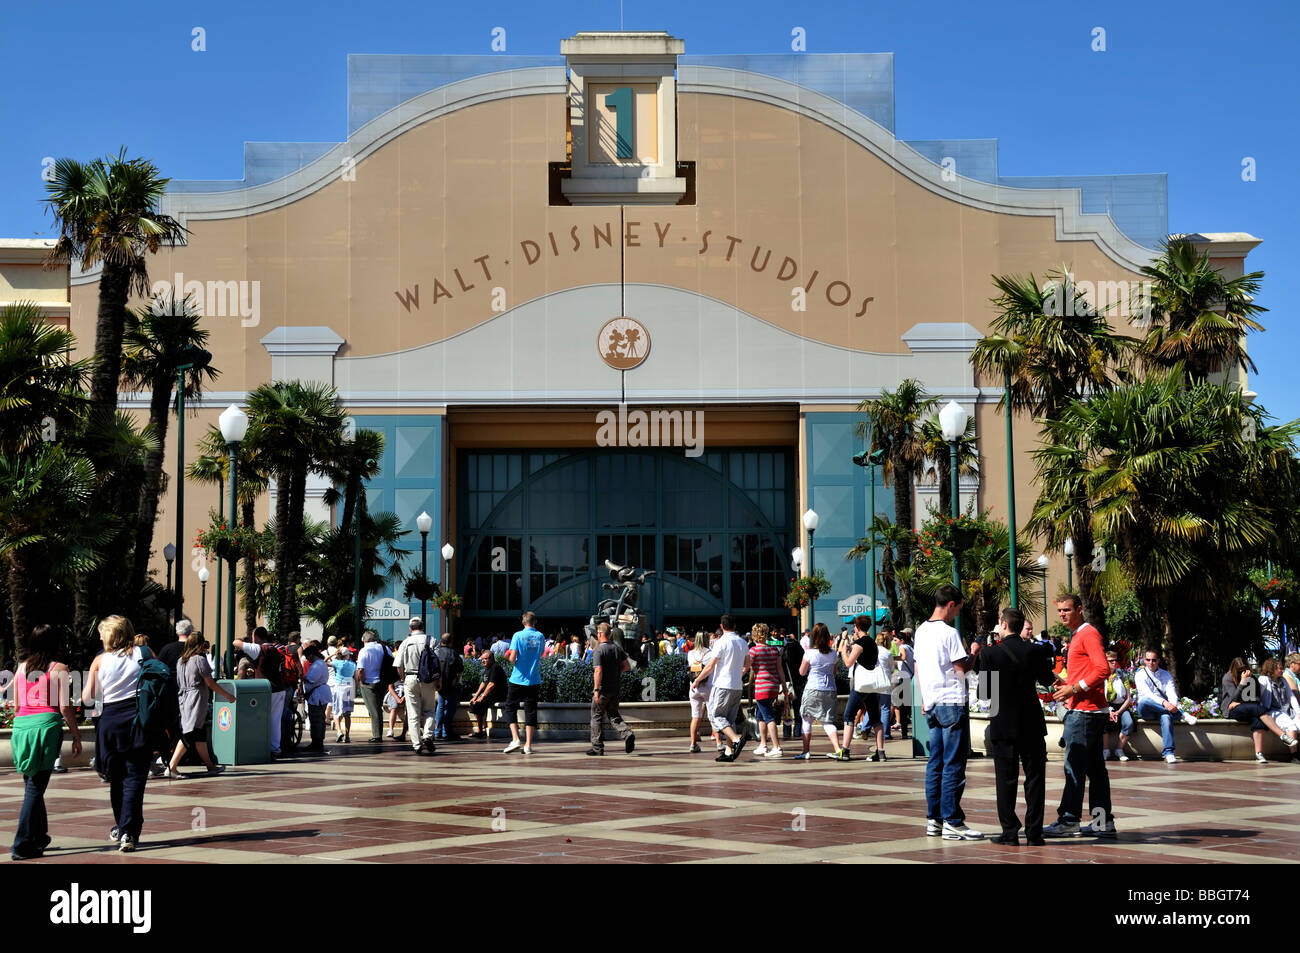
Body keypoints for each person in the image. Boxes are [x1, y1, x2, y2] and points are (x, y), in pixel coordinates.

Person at [969, 607, 1055, 846]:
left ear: (1003, 625)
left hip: (1003, 724)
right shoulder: (1035, 651)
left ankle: (1009, 831)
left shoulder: (990, 654)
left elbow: (984, 693)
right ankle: (1034, 832)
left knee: (1005, 780)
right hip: (1032, 724)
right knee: (1035, 779)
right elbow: (1048, 680)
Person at [913, 586, 983, 840]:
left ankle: (934, 819)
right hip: (951, 701)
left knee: (936, 763)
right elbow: (961, 669)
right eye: (958, 609)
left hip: (931, 701)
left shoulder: (921, 631)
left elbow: (918, 666)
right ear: (951, 604)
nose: (957, 614)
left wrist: (924, 697)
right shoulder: (949, 633)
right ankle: (953, 820)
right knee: (954, 764)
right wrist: (974, 652)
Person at [1044, 593, 1115, 838]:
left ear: (1080, 610)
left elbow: (1103, 669)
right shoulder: (1079, 636)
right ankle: (1101, 821)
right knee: (1095, 771)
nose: (1062, 614)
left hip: (1085, 713)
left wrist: (1074, 688)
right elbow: (1089, 672)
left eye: (1067, 610)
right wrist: (1066, 683)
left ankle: (1069, 820)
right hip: (1089, 712)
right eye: (1060, 610)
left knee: (1074, 768)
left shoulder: (1087, 634)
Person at [11, 624, 83, 861]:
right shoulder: (59, 668)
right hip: (45, 727)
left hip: (22, 728)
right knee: (35, 787)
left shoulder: (21, 668)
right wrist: (76, 734)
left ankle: (39, 836)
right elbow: (64, 706)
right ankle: (21, 844)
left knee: (32, 784)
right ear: (55, 643)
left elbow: (17, 704)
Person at [81, 615, 151, 853]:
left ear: (111, 635)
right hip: (136, 720)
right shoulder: (143, 653)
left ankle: (123, 827)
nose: (99, 637)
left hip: (110, 721)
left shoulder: (99, 661)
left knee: (117, 778)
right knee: (135, 778)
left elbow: (87, 698)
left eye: (102, 632)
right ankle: (128, 831)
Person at [165, 632, 235, 777]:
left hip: (183, 698)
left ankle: (210, 766)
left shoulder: (181, 661)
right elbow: (210, 682)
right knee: (189, 733)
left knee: (199, 734)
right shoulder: (199, 660)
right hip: (196, 699)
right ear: (199, 644)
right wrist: (227, 695)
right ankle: (171, 767)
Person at [692, 614, 750, 762]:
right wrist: (738, 674)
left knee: (716, 716)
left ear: (722, 626)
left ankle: (736, 740)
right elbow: (747, 665)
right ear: (735, 626)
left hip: (722, 685)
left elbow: (710, 666)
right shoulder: (742, 642)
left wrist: (697, 680)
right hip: (737, 686)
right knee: (729, 719)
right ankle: (729, 751)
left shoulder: (720, 642)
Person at [1221, 658, 1296, 762]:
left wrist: (1245, 697)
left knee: (1259, 720)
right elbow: (1233, 698)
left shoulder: (1251, 677)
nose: (1243, 672)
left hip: (1249, 708)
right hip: (1231, 710)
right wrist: (1242, 682)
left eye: (1245, 669)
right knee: (1257, 708)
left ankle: (1259, 754)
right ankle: (1282, 736)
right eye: (1240, 670)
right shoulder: (1228, 678)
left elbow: (1256, 697)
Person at [1133, 649, 1199, 763]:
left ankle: (1169, 753)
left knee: (1166, 717)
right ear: (1144, 660)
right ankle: (1181, 714)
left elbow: (1171, 692)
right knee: (1144, 700)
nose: (1151, 662)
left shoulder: (1166, 674)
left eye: (1154, 660)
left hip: (1162, 709)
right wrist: (1165, 703)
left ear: (1158, 660)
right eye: (1148, 660)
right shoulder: (1140, 674)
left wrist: (1172, 705)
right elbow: (1147, 694)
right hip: (1146, 709)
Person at [230, 627, 288, 757]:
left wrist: (243, 642)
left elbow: (235, 643)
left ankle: (266, 747)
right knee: (275, 719)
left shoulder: (259, 649)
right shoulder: (275, 649)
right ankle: (275, 747)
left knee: (262, 718)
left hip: (267, 689)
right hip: (279, 687)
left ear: (256, 637)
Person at [794, 623, 842, 761]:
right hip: (830, 689)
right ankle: (837, 749)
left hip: (813, 688)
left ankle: (806, 751)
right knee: (827, 722)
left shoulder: (809, 653)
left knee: (807, 719)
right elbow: (834, 672)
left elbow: (802, 672)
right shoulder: (833, 654)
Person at [839, 614, 882, 763]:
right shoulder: (872, 642)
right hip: (872, 685)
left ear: (857, 627)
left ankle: (845, 750)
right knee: (876, 718)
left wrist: (844, 652)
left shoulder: (860, 644)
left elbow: (848, 663)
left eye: (854, 627)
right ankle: (880, 752)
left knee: (848, 716)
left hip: (861, 685)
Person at [587, 622, 635, 756]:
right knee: (613, 714)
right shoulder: (616, 648)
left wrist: (596, 690)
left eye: (598, 632)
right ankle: (627, 733)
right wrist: (615, 672)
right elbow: (627, 666)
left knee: (596, 716)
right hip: (615, 688)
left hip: (603, 689)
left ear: (601, 634)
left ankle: (597, 748)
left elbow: (598, 671)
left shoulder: (599, 650)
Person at [395, 617, 439, 754]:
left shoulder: (406, 642)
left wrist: (403, 678)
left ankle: (417, 744)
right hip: (428, 679)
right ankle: (427, 735)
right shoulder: (431, 640)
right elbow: (438, 663)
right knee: (430, 710)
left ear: (410, 628)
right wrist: (438, 680)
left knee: (413, 713)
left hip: (410, 677)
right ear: (423, 627)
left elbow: (398, 665)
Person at [503, 611, 545, 754]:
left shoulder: (517, 636)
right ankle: (528, 745)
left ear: (523, 622)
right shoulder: (540, 636)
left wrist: (510, 658)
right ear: (535, 622)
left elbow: (512, 657)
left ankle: (515, 739)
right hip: (533, 679)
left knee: (510, 707)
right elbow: (540, 654)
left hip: (517, 678)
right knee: (530, 711)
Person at [748, 623, 787, 758]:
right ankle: (763, 745)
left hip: (761, 687)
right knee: (760, 716)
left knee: (769, 717)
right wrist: (785, 686)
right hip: (773, 686)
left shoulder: (754, 651)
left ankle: (776, 747)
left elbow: (748, 667)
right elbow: (780, 669)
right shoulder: (774, 650)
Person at [1102, 651, 1136, 762]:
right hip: (1105, 705)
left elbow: (1128, 698)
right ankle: (1105, 749)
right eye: (1111, 661)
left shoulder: (1122, 675)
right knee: (1102, 720)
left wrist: (1118, 712)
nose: (1114, 662)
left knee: (1129, 722)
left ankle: (1119, 749)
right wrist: (1109, 711)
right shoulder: (1101, 675)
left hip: (1121, 705)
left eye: (1116, 660)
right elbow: (1099, 696)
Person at [1259, 658, 1300, 749]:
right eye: (1280, 668)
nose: (1282, 670)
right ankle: (1294, 755)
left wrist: (1298, 712)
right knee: (1291, 727)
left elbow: (1291, 696)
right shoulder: (1264, 679)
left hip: (1288, 710)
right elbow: (1259, 696)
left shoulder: (1283, 680)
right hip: (1274, 710)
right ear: (1271, 669)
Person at [300, 638, 332, 754]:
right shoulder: (320, 663)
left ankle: (316, 742)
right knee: (319, 719)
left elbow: (311, 679)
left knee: (316, 719)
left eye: (308, 656)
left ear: (312, 655)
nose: (308, 659)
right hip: (320, 693)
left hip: (317, 694)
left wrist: (302, 676)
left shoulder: (317, 665)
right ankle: (317, 741)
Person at [356, 629, 388, 743]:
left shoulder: (364, 651)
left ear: (365, 640)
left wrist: (362, 682)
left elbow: (360, 670)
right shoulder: (384, 648)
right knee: (377, 708)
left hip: (369, 682)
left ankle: (377, 735)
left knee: (373, 710)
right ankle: (377, 732)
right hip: (382, 681)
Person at [467, 649, 505, 738]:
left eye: (485, 659)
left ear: (491, 659)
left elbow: (491, 684)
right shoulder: (487, 669)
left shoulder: (495, 667)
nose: (483, 661)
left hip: (498, 694)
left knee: (479, 704)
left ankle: (480, 731)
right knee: (474, 703)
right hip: (491, 694)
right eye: (482, 659)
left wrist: (482, 697)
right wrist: (475, 696)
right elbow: (483, 683)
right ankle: (482, 728)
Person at [434, 633, 464, 741]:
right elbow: (460, 668)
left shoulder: (435, 652)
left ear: (441, 641)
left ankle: (437, 731)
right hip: (451, 684)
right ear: (451, 642)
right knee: (449, 707)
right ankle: (446, 731)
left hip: (438, 684)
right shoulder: (453, 653)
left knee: (440, 706)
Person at [686, 632, 712, 753]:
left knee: (695, 716)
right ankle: (718, 742)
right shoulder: (710, 653)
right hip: (707, 687)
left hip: (693, 688)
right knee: (713, 716)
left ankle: (693, 743)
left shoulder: (690, 653)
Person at [328, 643, 359, 742]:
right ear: (347, 655)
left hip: (339, 687)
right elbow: (356, 679)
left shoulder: (337, 663)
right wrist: (356, 690)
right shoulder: (353, 664)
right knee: (347, 714)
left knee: (336, 711)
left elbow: (324, 662)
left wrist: (332, 655)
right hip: (349, 686)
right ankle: (347, 735)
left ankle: (339, 731)